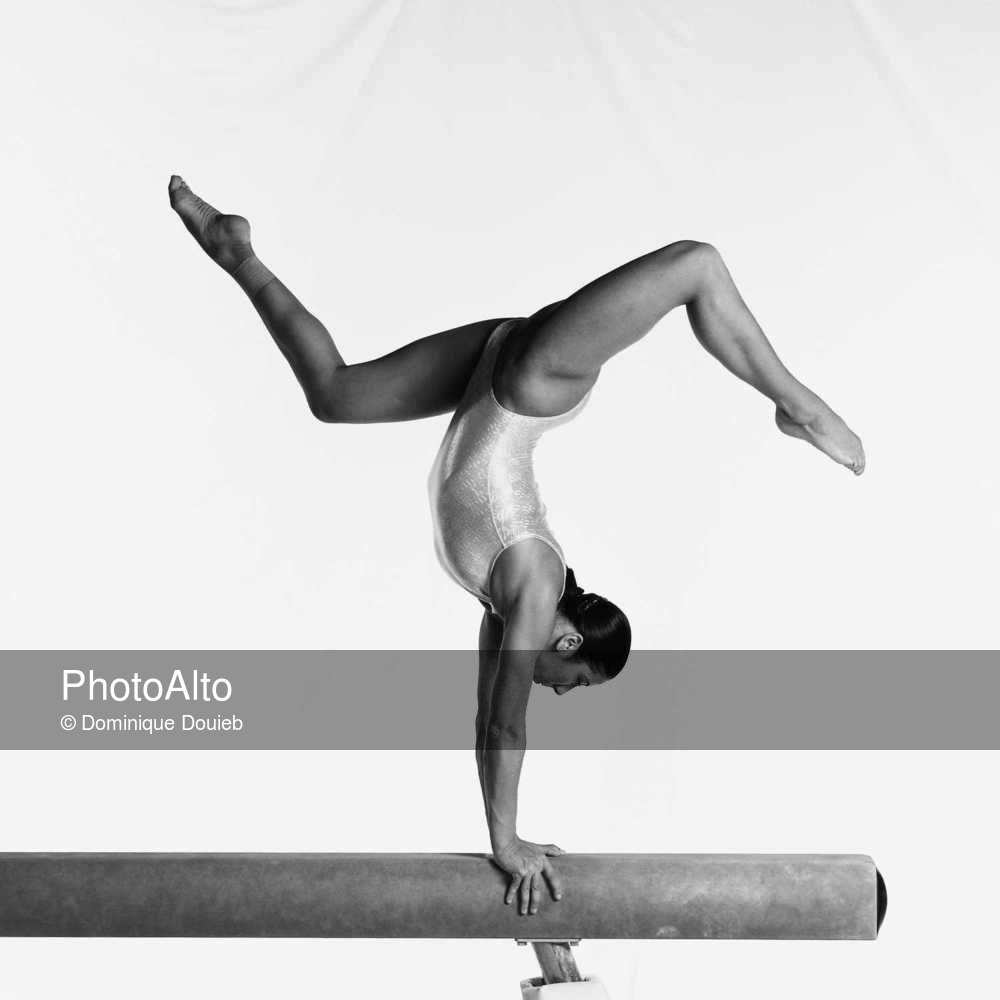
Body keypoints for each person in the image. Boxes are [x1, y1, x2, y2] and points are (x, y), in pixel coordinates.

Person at [168, 175, 865, 917]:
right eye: (575, 679)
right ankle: (801, 406)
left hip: (491, 374)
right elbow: (507, 724)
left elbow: (482, 718)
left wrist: (508, 831)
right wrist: (507, 843)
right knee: (695, 265)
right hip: (536, 377)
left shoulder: (502, 605)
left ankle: (233, 250)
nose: (560, 691)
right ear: (565, 636)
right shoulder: (531, 588)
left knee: (335, 395)